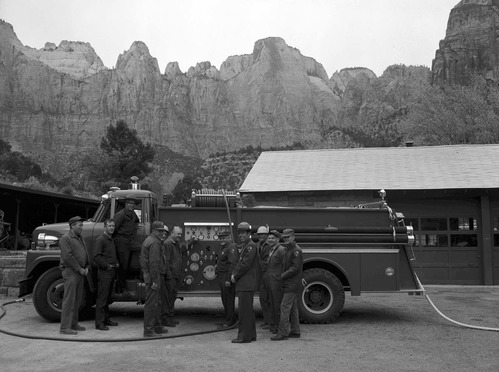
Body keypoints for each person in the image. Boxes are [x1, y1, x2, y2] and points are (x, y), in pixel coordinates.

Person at [59, 216, 90, 335]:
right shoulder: (65, 238)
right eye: (79, 225)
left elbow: (85, 253)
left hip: (80, 271)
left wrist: (86, 266)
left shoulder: (80, 238)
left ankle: (73, 323)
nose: (81, 227)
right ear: (72, 226)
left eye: (82, 225)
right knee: (69, 300)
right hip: (71, 272)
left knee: (77, 300)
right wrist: (80, 269)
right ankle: (64, 327)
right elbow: (67, 257)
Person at [271, 228, 303, 341]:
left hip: (291, 284)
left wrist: (282, 276)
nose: (286, 239)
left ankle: (283, 333)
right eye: (284, 237)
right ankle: (295, 331)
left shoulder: (295, 251)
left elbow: (295, 268)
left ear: (293, 237)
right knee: (293, 308)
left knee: (284, 307)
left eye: (288, 237)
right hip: (291, 283)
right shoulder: (289, 249)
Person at [230, 222, 259, 343]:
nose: (241, 235)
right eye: (240, 233)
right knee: (248, 311)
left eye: (243, 233)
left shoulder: (250, 246)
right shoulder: (247, 245)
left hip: (245, 284)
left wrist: (235, 276)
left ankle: (244, 337)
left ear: (249, 234)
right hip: (246, 284)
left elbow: (245, 265)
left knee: (244, 312)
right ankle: (251, 335)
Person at [140, 220, 169, 338]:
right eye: (160, 231)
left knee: (157, 302)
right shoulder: (155, 243)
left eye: (163, 231)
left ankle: (157, 326)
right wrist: (155, 281)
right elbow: (154, 263)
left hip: (152, 276)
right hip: (153, 277)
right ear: (154, 231)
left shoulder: (150, 240)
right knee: (152, 304)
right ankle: (148, 330)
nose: (162, 233)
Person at [93, 218, 119, 331]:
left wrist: (116, 263)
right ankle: (99, 323)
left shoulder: (110, 239)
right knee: (102, 299)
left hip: (111, 272)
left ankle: (106, 319)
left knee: (108, 298)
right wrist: (107, 266)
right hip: (104, 273)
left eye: (113, 226)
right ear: (105, 227)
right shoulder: (101, 240)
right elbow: (96, 257)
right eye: (109, 226)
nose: (112, 228)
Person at [163, 226, 190, 326]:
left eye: (180, 234)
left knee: (172, 297)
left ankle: (170, 317)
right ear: (172, 233)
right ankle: (165, 319)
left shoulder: (176, 243)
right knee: (168, 298)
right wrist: (169, 275)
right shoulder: (167, 244)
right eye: (178, 234)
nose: (179, 236)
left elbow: (183, 245)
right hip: (170, 276)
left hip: (175, 275)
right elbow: (166, 261)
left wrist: (191, 241)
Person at [113, 195, 140, 294]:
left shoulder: (133, 214)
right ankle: (121, 288)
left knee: (142, 248)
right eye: (129, 203)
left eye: (133, 204)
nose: (131, 205)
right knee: (123, 266)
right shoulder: (120, 215)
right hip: (121, 240)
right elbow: (114, 229)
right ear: (125, 204)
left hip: (129, 240)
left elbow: (137, 221)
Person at [215, 230, 239, 327]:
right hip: (222, 276)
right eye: (220, 238)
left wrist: (228, 279)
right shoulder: (223, 248)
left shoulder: (231, 247)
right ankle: (228, 318)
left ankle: (231, 321)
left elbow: (233, 264)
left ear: (228, 237)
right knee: (225, 299)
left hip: (226, 276)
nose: (222, 239)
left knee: (229, 300)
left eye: (224, 238)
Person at [266, 230, 287, 334]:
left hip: (277, 281)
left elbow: (285, 265)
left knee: (277, 304)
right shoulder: (272, 249)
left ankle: (279, 326)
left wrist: (281, 279)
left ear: (278, 239)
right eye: (269, 238)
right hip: (271, 280)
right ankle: (273, 324)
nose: (270, 240)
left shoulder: (281, 250)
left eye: (273, 238)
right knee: (272, 303)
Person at [256, 225, 271, 329]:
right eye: (259, 234)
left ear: (267, 235)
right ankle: (267, 321)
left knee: (269, 298)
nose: (261, 236)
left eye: (263, 234)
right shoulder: (258, 245)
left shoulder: (270, 245)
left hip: (268, 274)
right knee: (263, 298)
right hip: (262, 274)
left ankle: (271, 322)